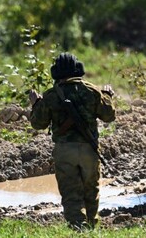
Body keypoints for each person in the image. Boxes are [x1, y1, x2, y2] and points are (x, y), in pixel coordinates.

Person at [29, 52, 116, 229]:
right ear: (78, 69)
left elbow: (38, 124)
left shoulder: (51, 95)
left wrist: (36, 103)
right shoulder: (92, 91)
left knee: (71, 193)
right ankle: (91, 226)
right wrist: (107, 95)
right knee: (91, 191)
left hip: (64, 151)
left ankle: (78, 228)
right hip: (89, 150)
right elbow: (108, 116)